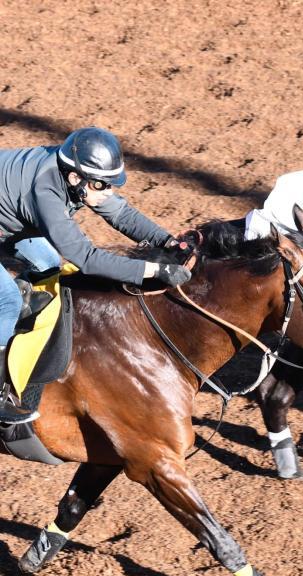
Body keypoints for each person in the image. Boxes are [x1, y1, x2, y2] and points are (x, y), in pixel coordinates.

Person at [0, 127, 191, 423]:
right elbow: (86, 259)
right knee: (8, 300)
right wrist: (154, 270)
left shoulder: (73, 171)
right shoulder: (46, 189)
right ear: (75, 178)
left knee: (48, 263)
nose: (109, 192)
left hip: (8, 219)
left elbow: (121, 214)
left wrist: (168, 242)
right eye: (102, 185)